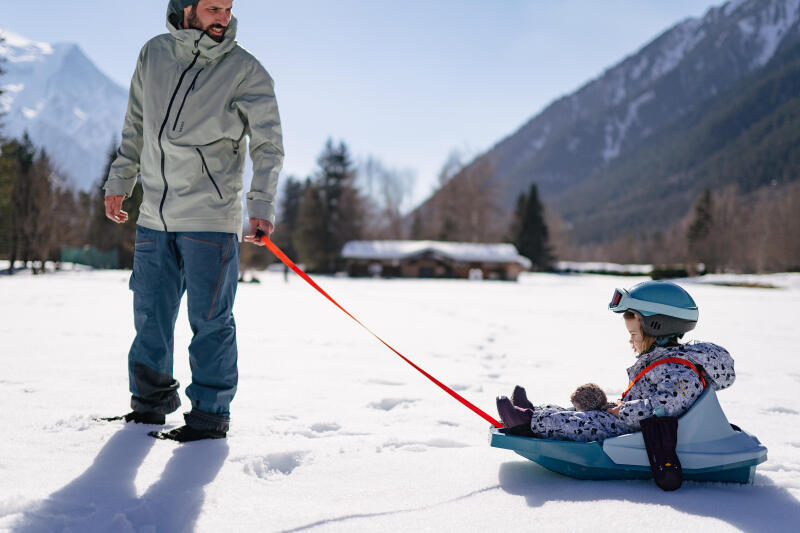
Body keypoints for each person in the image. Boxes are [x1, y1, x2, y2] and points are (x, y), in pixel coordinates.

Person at [102, 0, 283, 442]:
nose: (222, 16)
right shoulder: (154, 54)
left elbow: (268, 146)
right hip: (154, 216)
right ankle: (149, 405)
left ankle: (209, 417)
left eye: (228, 7)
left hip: (211, 218)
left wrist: (260, 206)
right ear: (186, 9)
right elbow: (135, 124)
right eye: (212, 7)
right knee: (150, 314)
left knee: (211, 321)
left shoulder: (245, 70)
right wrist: (119, 180)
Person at [496, 281, 735, 442]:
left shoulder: (678, 369)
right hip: (633, 422)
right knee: (581, 415)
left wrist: (624, 411)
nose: (630, 342)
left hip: (640, 430)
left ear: (657, 327)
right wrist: (613, 406)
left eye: (634, 335)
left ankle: (528, 423)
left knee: (586, 424)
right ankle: (534, 412)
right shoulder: (666, 362)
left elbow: (666, 407)